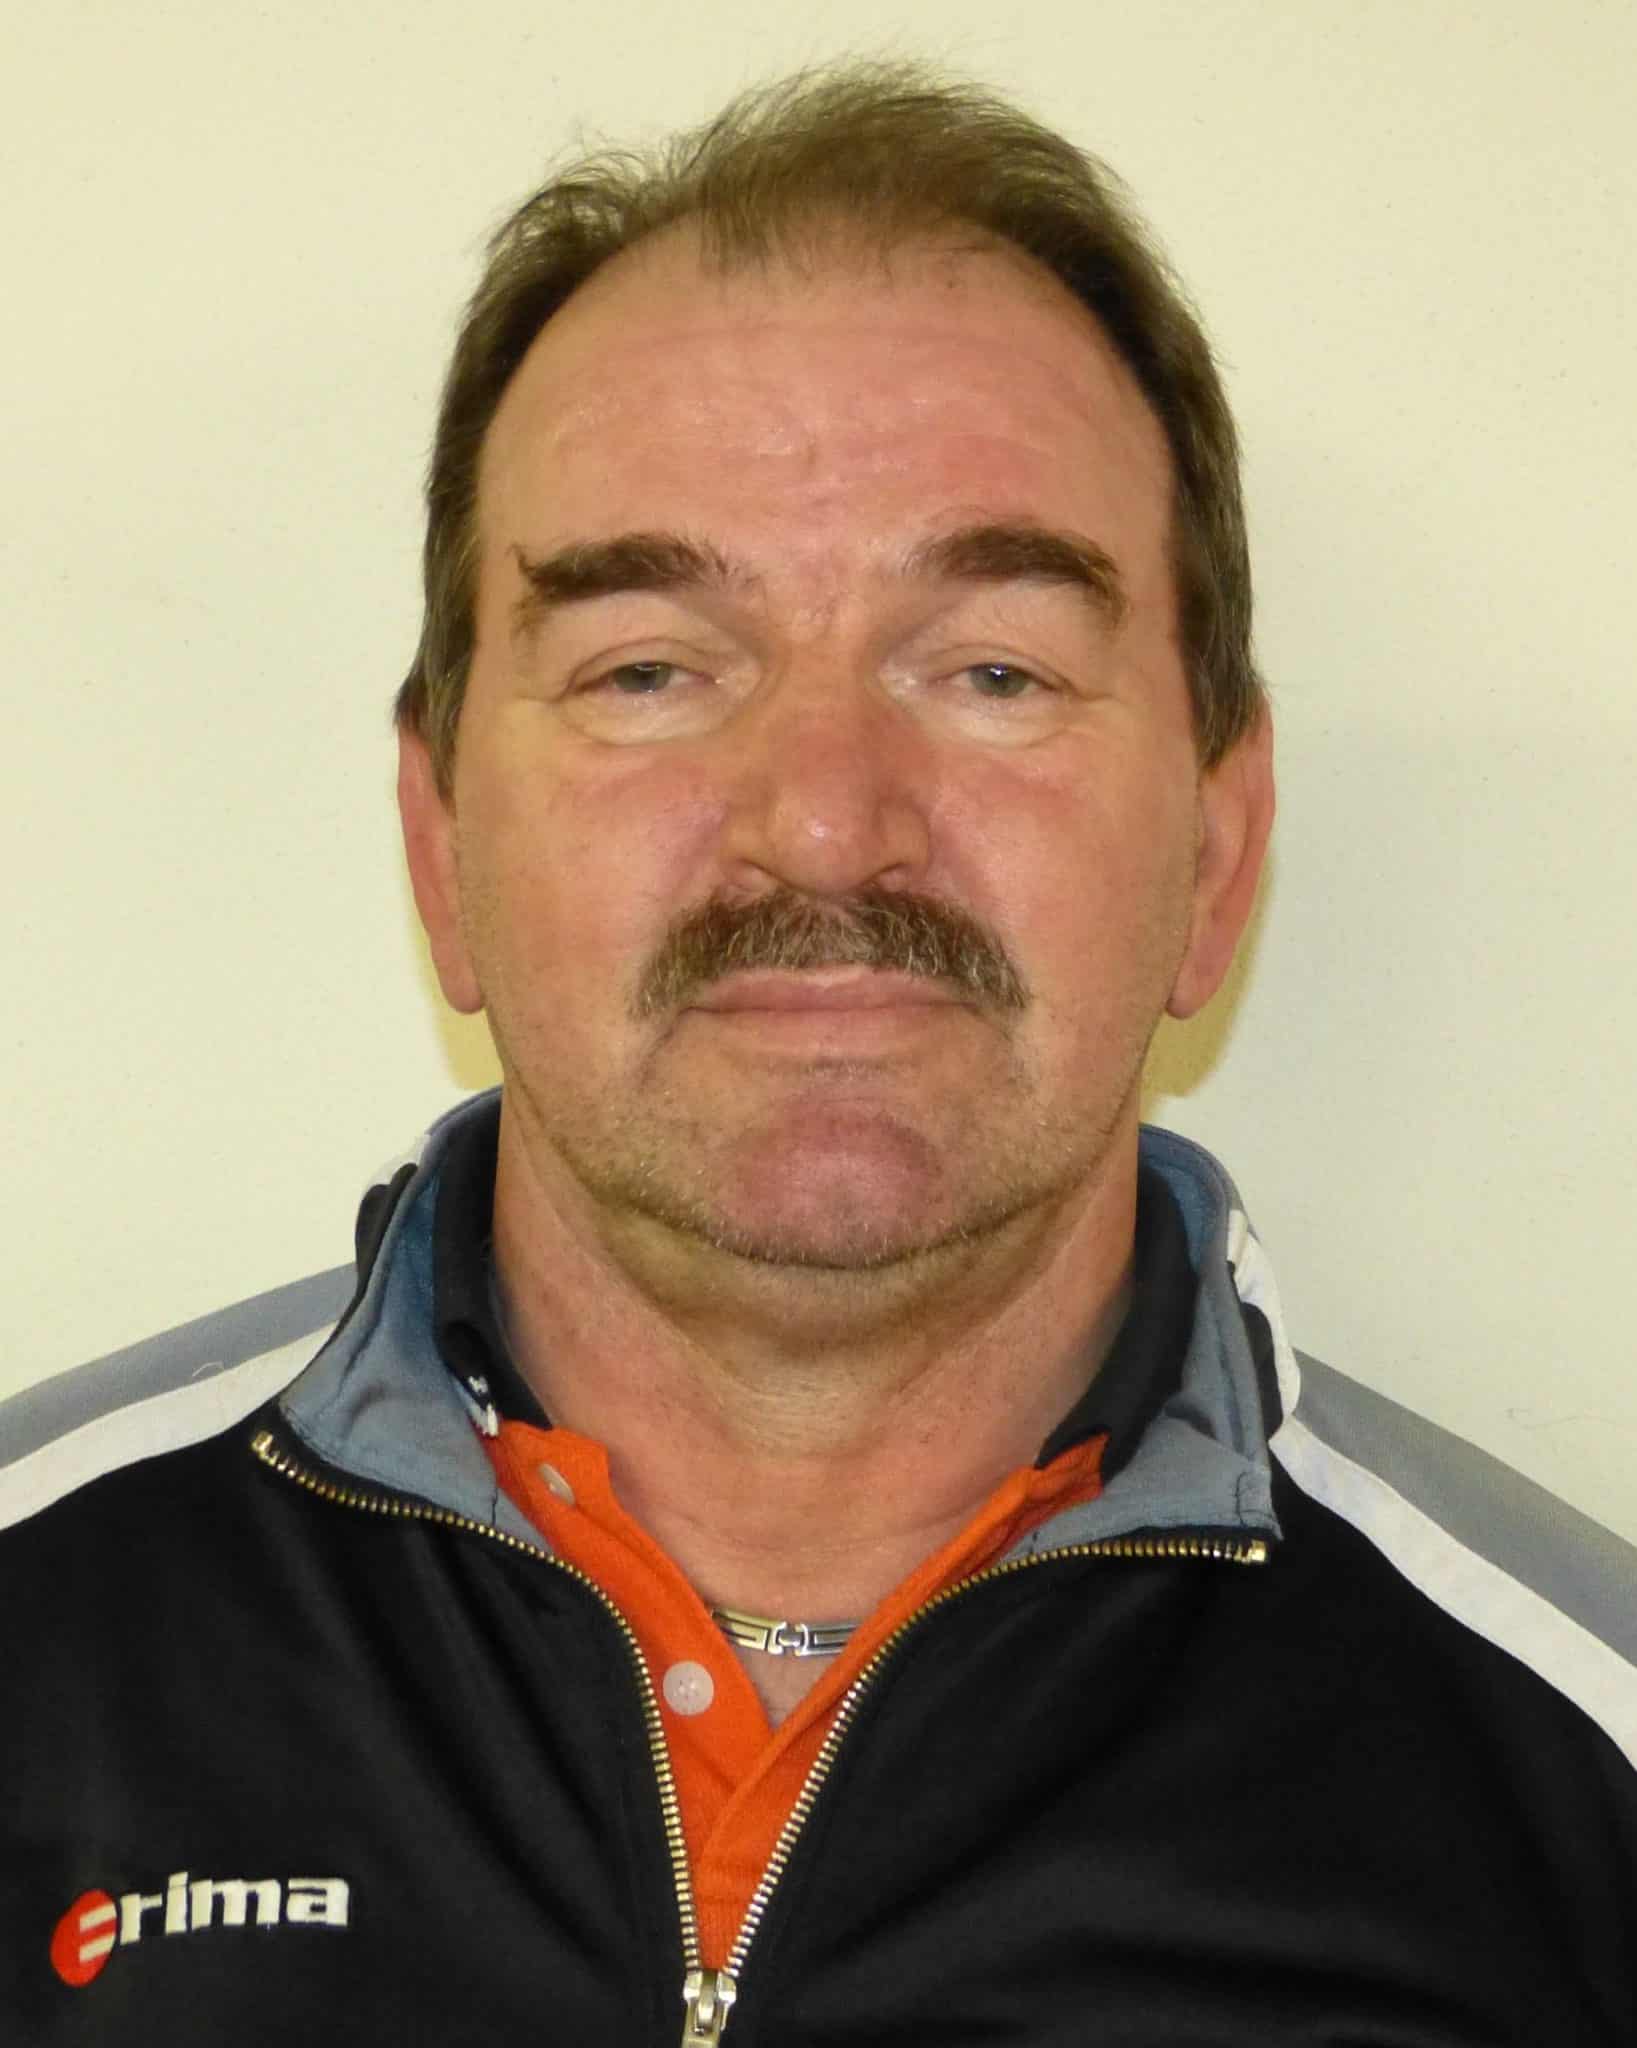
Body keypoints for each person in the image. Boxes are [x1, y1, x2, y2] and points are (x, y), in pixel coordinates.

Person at [4, 59, 1633, 2046]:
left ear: (1216, 853)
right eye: (649, 671)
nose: (828, 820)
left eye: (995, 670)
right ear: (442, 847)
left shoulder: (1585, 1794)